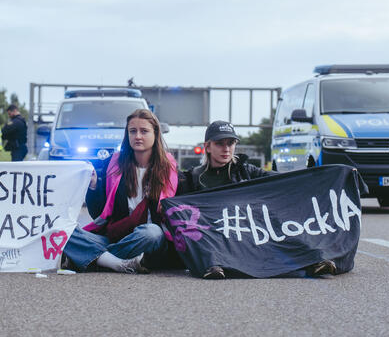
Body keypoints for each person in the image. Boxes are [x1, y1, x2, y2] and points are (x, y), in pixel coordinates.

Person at [176, 120, 336, 280]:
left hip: (248, 229)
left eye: (231, 143)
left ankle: (316, 261)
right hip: (214, 232)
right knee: (200, 233)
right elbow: (175, 208)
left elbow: (281, 181)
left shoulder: (246, 171)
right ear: (208, 147)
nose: (226, 149)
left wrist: (312, 176)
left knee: (276, 225)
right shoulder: (192, 178)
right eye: (219, 143)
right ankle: (212, 265)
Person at [61, 109, 178, 273]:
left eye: (144, 131)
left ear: (156, 134)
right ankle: (117, 262)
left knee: (152, 233)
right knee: (63, 231)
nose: (137, 136)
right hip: (115, 236)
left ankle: (96, 258)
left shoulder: (168, 167)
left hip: (146, 239)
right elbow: (98, 215)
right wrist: (93, 185)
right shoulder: (114, 163)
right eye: (133, 131)